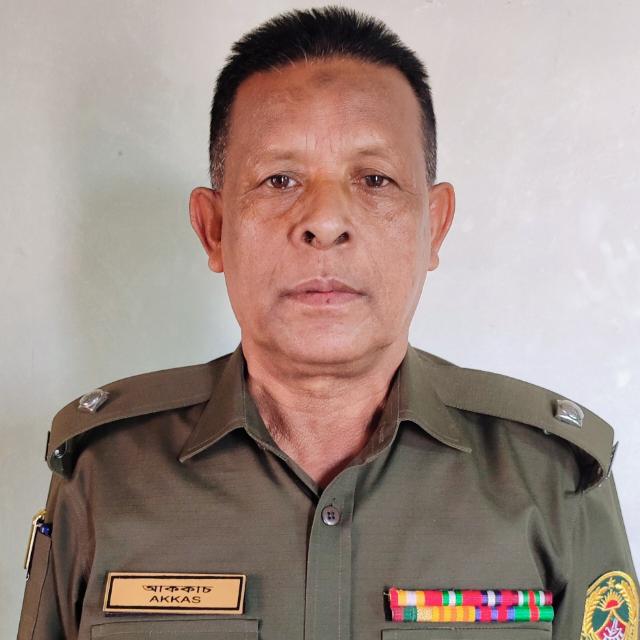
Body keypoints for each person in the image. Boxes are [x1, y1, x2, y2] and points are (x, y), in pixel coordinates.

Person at [18, 6, 637, 640]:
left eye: (374, 179)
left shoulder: (553, 479)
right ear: (214, 229)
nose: (325, 222)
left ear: (435, 226)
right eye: (280, 179)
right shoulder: (105, 476)